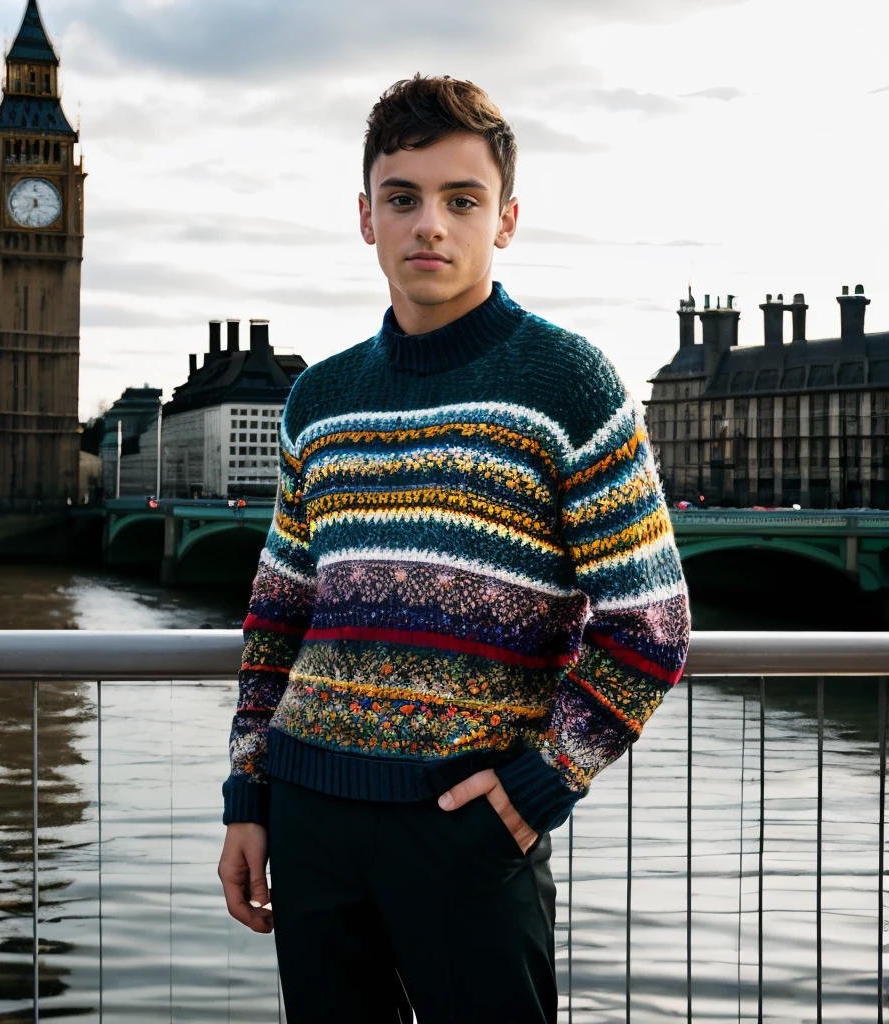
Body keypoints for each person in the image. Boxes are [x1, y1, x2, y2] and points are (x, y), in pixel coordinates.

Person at [216, 75, 690, 1023]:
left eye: (460, 200)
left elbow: (652, 623)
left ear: (504, 219)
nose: (430, 224)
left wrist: (542, 783)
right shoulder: (319, 399)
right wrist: (247, 793)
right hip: (308, 812)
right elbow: (277, 618)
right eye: (403, 198)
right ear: (366, 219)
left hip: (469, 823)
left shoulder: (566, 381)